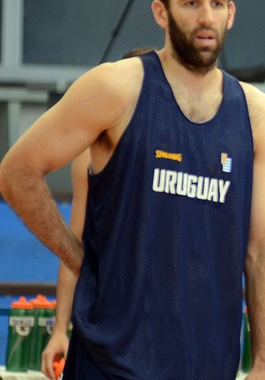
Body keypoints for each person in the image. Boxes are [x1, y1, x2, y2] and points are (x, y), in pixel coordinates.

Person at [0, 0, 265, 379]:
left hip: (210, 364)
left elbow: (264, 247)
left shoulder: (258, 115)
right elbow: (16, 173)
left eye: (216, 3)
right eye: (191, 2)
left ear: (231, 13)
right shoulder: (114, 88)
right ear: (161, 12)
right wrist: (82, 260)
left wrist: (263, 362)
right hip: (112, 361)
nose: (206, 17)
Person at [39, 46, 156, 380]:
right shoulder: (90, 157)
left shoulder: (186, 146)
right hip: (111, 318)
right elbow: (75, 242)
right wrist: (61, 328)